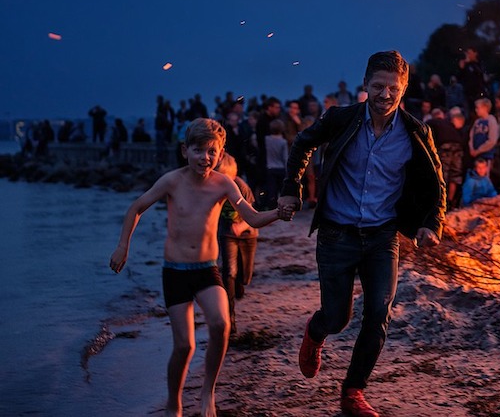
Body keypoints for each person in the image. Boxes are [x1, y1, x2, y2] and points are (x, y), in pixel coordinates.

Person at [277, 50, 446, 417]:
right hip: (337, 234)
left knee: (378, 315)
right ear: (365, 85)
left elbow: (436, 184)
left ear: (404, 89)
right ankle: (316, 330)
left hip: (383, 236)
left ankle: (353, 391)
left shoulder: (416, 132)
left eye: (394, 88)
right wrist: (292, 188)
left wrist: (431, 223)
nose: (385, 95)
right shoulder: (341, 119)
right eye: (378, 86)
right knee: (338, 317)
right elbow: (303, 143)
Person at [108, 118, 290, 417]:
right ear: (185, 151)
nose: (205, 157)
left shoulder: (224, 183)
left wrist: (278, 214)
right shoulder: (171, 181)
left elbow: (252, 217)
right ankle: (173, 403)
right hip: (175, 272)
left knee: (220, 324)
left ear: (220, 154)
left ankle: (208, 392)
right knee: (184, 347)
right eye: (198, 150)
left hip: (207, 269)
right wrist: (122, 246)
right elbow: (136, 207)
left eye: (212, 152)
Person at [215, 153, 259, 336]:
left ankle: (240, 286)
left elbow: (253, 214)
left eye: (226, 178)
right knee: (228, 272)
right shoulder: (213, 188)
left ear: (233, 175)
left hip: (247, 235)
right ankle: (230, 320)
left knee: (244, 276)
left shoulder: (241, 187)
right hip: (227, 234)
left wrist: (241, 226)